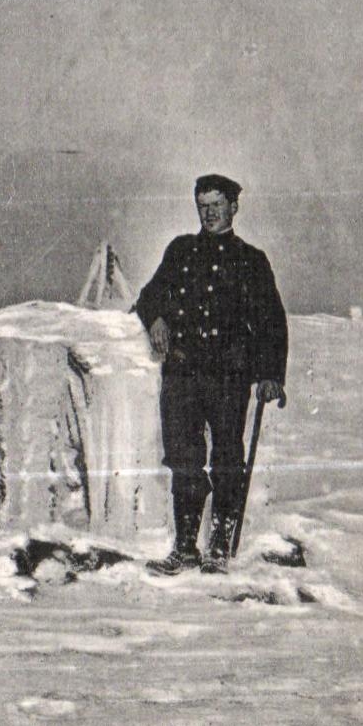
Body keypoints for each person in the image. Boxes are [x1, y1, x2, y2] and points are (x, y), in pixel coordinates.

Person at [135, 175, 287, 575]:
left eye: (217, 204)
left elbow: (271, 320)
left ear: (234, 207)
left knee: (225, 460)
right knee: (183, 459)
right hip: (183, 372)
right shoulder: (181, 251)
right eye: (203, 205)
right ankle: (185, 548)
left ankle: (218, 545)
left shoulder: (251, 260)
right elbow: (149, 295)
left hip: (227, 376)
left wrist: (270, 374)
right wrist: (156, 320)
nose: (209, 212)